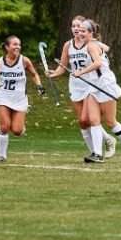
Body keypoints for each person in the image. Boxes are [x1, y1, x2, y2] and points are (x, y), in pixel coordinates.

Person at [48, 16, 107, 163]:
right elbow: (62, 67)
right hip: (75, 85)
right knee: (82, 121)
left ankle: (102, 146)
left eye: (78, 26)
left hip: (90, 84)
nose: (75, 29)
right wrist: (53, 73)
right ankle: (95, 151)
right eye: (73, 26)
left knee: (89, 118)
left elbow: (105, 49)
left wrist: (97, 44)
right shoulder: (68, 45)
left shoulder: (91, 44)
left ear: (85, 29)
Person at [0, 35, 46, 163]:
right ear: (7, 47)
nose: (17, 47)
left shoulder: (25, 61)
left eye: (19, 44)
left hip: (19, 99)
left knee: (17, 131)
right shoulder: (0, 62)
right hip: (3, 97)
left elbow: (34, 74)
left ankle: (19, 127)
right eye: (14, 44)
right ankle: (1, 156)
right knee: (4, 127)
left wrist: (39, 85)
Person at [89, 21, 121, 164]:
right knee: (93, 120)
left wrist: (81, 72)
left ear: (90, 33)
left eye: (82, 30)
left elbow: (97, 63)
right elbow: (106, 47)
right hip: (94, 86)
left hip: (105, 85)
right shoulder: (90, 44)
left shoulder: (92, 45)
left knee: (110, 122)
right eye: (75, 28)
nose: (78, 32)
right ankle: (97, 154)